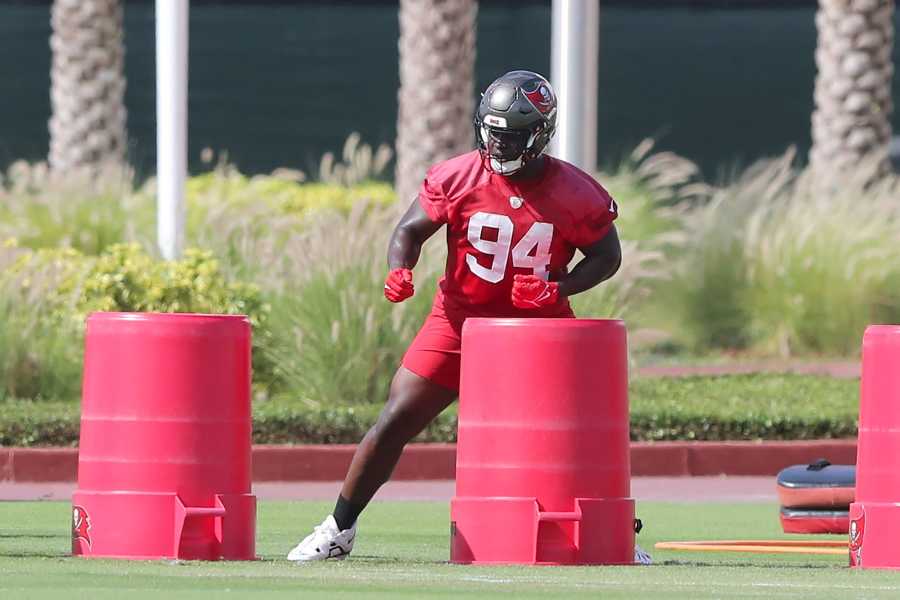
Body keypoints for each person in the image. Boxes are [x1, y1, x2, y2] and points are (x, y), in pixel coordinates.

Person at [287, 70, 622, 562]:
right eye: (492, 131)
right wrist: (400, 269)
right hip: (458, 320)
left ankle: (605, 534)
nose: (498, 143)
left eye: (510, 135)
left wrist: (560, 287)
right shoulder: (459, 175)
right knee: (394, 420)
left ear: (540, 133)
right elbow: (409, 231)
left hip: (537, 331)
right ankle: (338, 527)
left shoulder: (577, 192)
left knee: (568, 437)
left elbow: (606, 256)